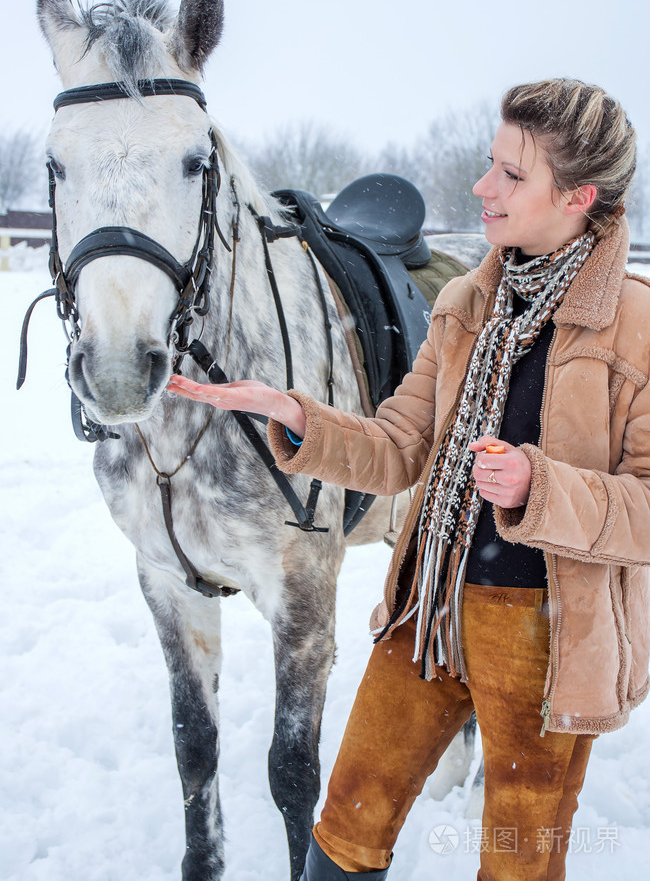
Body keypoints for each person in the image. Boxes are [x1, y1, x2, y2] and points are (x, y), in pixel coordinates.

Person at [167, 78, 649, 880]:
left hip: (547, 633)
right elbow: (398, 447)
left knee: (519, 860)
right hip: (426, 606)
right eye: (489, 164)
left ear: (578, 197)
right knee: (344, 830)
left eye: (511, 175)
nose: (481, 186)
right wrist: (293, 411)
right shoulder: (466, 303)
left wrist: (541, 487)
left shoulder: (636, 329)